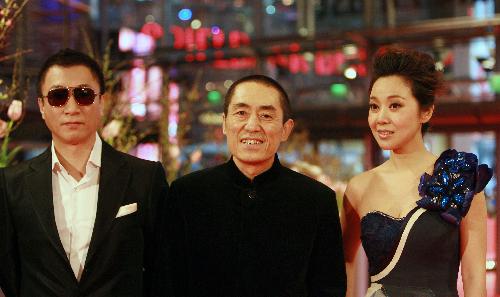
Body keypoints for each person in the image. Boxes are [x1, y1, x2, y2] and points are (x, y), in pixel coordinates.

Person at [0, 48, 168, 297]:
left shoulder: (145, 178)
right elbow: (9, 274)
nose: (71, 108)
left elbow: (163, 270)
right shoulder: (11, 184)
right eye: (58, 96)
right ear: (42, 106)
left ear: (103, 101)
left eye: (84, 95)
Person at [158, 74, 346, 297]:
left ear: (286, 129)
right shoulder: (186, 194)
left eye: (266, 115)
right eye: (241, 113)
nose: (252, 125)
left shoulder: (317, 200)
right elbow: (167, 282)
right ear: (225, 123)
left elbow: (329, 288)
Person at [341, 47, 493, 297]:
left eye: (395, 105)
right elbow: (344, 264)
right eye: (374, 106)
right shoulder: (359, 187)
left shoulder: (460, 178)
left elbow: (474, 277)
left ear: (426, 111)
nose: (381, 118)